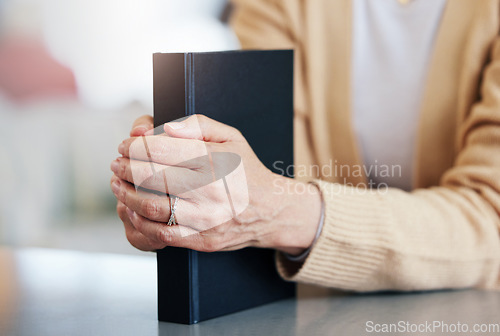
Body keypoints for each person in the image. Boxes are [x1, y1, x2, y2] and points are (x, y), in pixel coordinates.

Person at [110, 0, 500, 291]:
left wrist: (283, 213)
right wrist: (183, 187)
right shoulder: (278, 5)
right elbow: (274, 167)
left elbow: (491, 222)